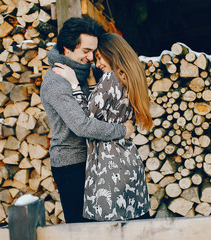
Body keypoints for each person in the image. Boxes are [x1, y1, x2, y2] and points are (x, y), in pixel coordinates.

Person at [40, 18, 135, 223]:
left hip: (95, 160)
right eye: (85, 51)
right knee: (83, 229)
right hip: (72, 165)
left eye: (93, 51)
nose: (91, 57)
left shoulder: (86, 73)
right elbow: (81, 125)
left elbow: (97, 109)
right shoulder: (57, 81)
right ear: (67, 48)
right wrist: (122, 131)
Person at [52, 33, 153, 221]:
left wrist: (74, 84)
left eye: (99, 57)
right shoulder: (129, 77)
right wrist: (92, 84)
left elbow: (86, 118)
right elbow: (104, 110)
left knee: (107, 228)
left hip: (109, 165)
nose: (97, 63)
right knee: (134, 224)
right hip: (129, 162)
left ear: (112, 53)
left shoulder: (110, 78)